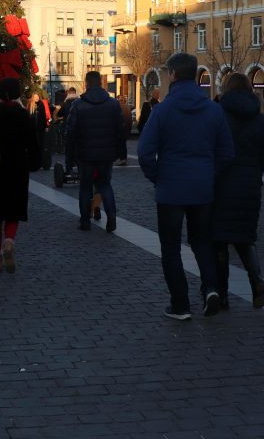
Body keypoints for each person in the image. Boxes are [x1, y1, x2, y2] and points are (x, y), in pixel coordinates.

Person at [137, 53, 232, 320]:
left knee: (170, 247)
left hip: (170, 189)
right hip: (202, 187)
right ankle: (211, 288)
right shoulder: (213, 109)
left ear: (173, 75)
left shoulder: (162, 110)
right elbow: (227, 151)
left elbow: (145, 152)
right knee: (203, 242)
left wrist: (158, 176)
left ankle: (180, 304)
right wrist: (210, 174)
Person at [212, 73, 264, 309]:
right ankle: (256, 281)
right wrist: (254, 170)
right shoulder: (259, 118)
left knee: (219, 240)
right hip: (249, 185)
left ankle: (223, 293)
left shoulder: (219, 114)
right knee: (246, 237)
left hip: (222, 183)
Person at [0, 77, 40, 274]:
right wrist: (34, 163)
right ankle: (9, 241)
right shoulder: (23, 115)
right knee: (14, 211)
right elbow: (33, 144)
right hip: (17, 168)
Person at [65, 69, 125, 233]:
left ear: (86, 83)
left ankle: (85, 221)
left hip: (85, 154)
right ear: (100, 83)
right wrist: (121, 152)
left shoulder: (78, 104)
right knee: (105, 185)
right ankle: (111, 216)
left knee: (85, 187)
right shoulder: (112, 104)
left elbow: (71, 132)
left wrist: (69, 158)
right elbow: (120, 129)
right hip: (106, 153)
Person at [28, 91, 51, 170]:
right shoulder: (29, 105)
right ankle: (33, 162)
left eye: (37, 96)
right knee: (33, 146)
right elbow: (27, 117)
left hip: (40, 128)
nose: (36, 98)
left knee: (41, 145)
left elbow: (44, 116)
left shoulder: (41, 104)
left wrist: (46, 126)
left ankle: (40, 162)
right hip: (32, 129)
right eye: (35, 97)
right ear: (32, 97)